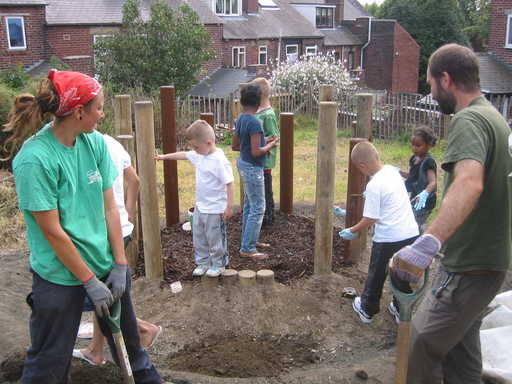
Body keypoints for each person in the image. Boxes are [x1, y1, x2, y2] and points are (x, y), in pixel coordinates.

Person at [6, 69, 162, 383]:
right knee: (50, 361)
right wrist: (88, 281)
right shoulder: (35, 159)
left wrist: (119, 264)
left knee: (131, 351)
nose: (102, 114)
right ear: (79, 112)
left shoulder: (94, 144)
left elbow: (110, 208)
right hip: (59, 276)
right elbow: (52, 231)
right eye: (99, 107)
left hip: (105, 264)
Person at [390, 43, 511, 384]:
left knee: (421, 344)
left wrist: (427, 243)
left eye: (430, 84)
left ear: (446, 79)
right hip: (488, 262)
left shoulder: (469, 119)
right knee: (461, 352)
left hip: (470, 265)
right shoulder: (494, 117)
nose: (431, 92)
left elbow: (469, 183)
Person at [73, 133, 162, 366]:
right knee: (104, 291)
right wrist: (128, 210)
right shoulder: (113, 143)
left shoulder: (79, 146)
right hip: (120, 227)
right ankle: (96, 350)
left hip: (102, 231)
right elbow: (134, 179)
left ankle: (143, 329)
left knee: (104, 293)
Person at [339, 141, 419, 323]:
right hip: (410, 233)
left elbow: (370, 219)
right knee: (400, 273)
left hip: (388, 238)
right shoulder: (391, 172)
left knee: (377, 273)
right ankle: (401, 310)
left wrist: (352, 230)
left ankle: (367, 309)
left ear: (362, 166)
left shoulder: (374, 185)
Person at [156, 120, 234, 277]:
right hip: (200, 207)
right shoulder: (200, 155)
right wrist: (164, 157)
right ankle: (203, 263)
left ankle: (219, 264)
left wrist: (229, 207)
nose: (194, 150)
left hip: (215, 209)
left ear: (209, 143)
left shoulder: (219, 161)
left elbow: (230, 183)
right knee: (199, 237)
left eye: (196, 147)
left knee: (215, 238)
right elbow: (183, 155)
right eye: (193, 147)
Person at [231, 84, 279, 260]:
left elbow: (236, 145)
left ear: (242, 102)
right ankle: (248, 248)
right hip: (253, 167)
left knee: (249, 206)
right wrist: (271, 145)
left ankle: (249, 239)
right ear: (259, 102)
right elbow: (256, 151)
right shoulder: (256, 122)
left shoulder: (241, 119)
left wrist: (263, 140)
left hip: (242, 164)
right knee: (258, 207)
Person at [251, 77, 280, 227]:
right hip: (256, 159)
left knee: (265, 190)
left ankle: (269, 219)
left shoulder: (268, 115)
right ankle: (260, 216)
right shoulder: (258, 112)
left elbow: (275, 137)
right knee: (257, 190)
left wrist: (258, 140)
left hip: (265, 161)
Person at [402, 126, 437, 232]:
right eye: (412, 145)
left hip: (424, 201)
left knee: (414, 224)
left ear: (429, 145)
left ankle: (419, 241)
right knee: (409, 220)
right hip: (415, 196)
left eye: (418, 145)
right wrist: (399, 172)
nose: (414, 148)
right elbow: (412, 175)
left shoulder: (428, 162)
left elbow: (433, 182)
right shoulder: (414, 159)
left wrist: (425, 194)